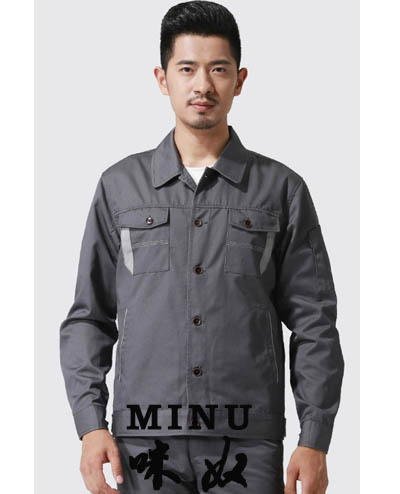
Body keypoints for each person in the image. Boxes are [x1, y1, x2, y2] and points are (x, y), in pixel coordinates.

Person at [59, 1, 345, 493]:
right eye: (187, 69)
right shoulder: (120, 188)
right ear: (162, 78)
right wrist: (90, 425)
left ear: (240, 80)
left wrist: (315, 438)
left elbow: (314, 322)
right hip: (143, 440)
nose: (203, 86)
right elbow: (89, 316)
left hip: (247, 443)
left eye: (219, 69)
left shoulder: (281, 190)